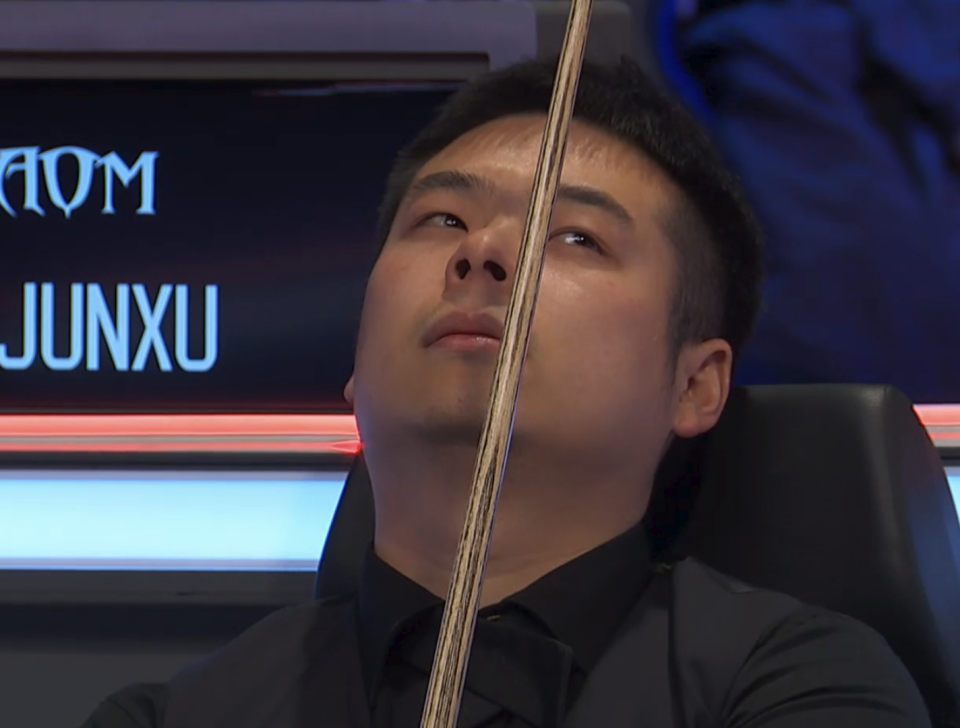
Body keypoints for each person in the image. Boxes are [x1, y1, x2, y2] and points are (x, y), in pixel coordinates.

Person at [80, 58, 931, 728]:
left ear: (695, 383)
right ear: (356, 361)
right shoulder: (172, 717)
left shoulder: (801, 687)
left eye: (576, 236)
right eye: (442, 220)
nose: (484, 252)